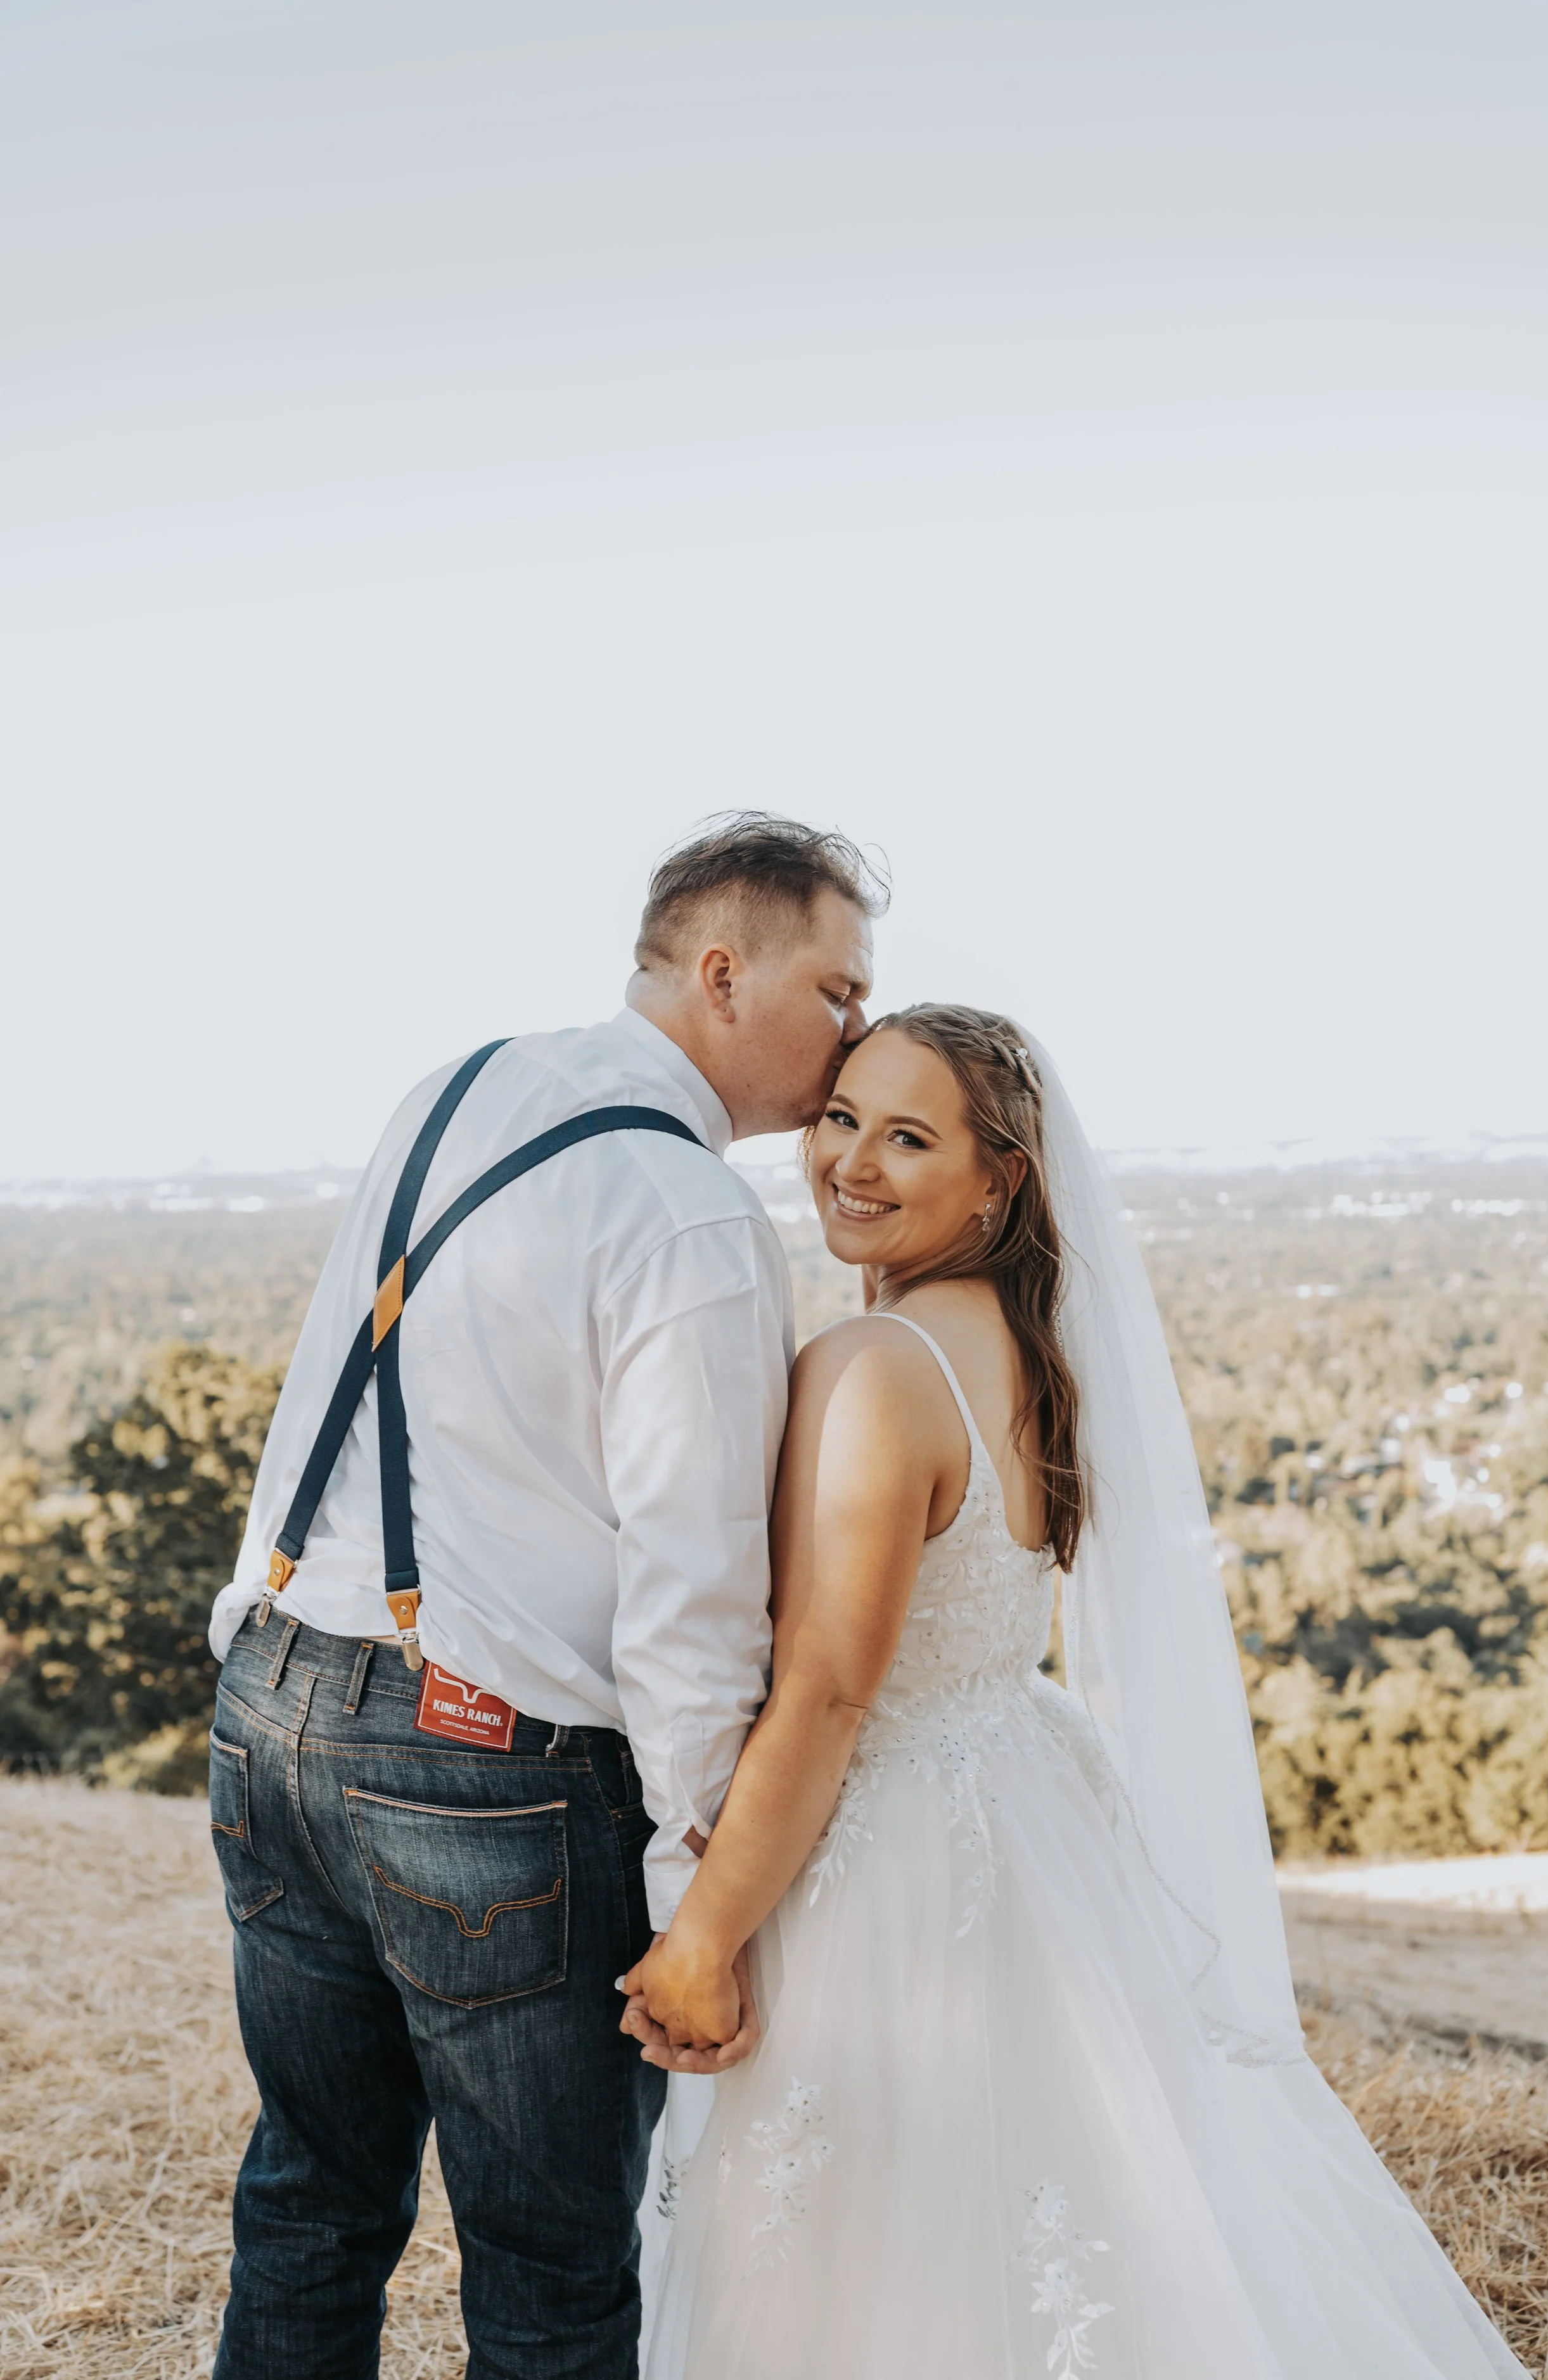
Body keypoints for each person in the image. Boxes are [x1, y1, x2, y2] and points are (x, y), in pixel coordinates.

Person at [621, 1006, 1527, 2380]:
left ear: (998, 1180)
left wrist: (699, 1940)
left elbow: (822, 1695)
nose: (849, 1163)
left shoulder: (870, 1370)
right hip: (1026, 1812)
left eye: (906, 1138)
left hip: (898, 1866)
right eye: (838, 1119)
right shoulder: (1038, 1353)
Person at [203, 813, 881, 2380]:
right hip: (487, 1777)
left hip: (277, 1707)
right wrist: (695, 1901)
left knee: (308, 2205)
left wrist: (247, 1626)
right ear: (725, 971)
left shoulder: (454, 1083)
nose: (854, 1033)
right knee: (557, 2277)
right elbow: (689, 1603)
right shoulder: (695, 1218)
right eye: (837, 993)